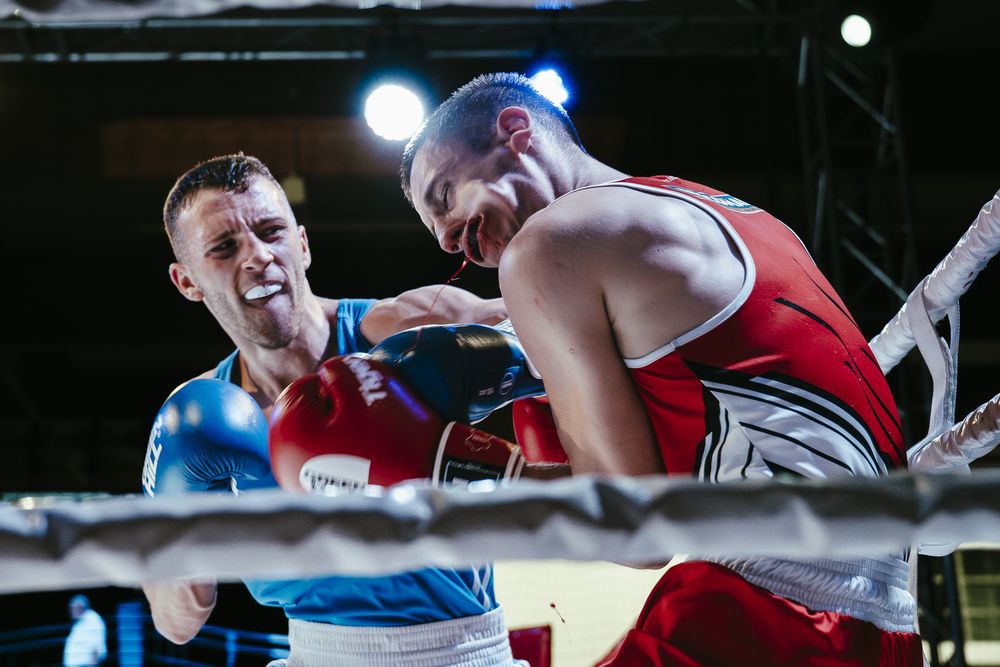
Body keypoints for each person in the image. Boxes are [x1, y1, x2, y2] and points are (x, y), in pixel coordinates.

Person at [399, 73, 923, 665]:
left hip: (771, 611)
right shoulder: (730, 213)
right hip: (888, 626)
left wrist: (454, 463)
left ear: (515, 131)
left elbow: (630, 531)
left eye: (444, 195)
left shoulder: (546, 247)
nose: (448, 240)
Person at [140, 154, 521, 666]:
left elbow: (559, 327)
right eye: (225, 247)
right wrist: (177, 507)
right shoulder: (202, 420)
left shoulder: (400, 332)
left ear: (302, 244)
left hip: (460, 654)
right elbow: (177, 625)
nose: (258, 256)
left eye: (271, 231)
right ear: (187, 281)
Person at [64, 594, 107, 667]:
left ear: (83, 607)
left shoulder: (92, 619)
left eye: (76, 608)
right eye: (72, 608)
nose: (72, 611)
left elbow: (96, 646)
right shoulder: (80, 622)